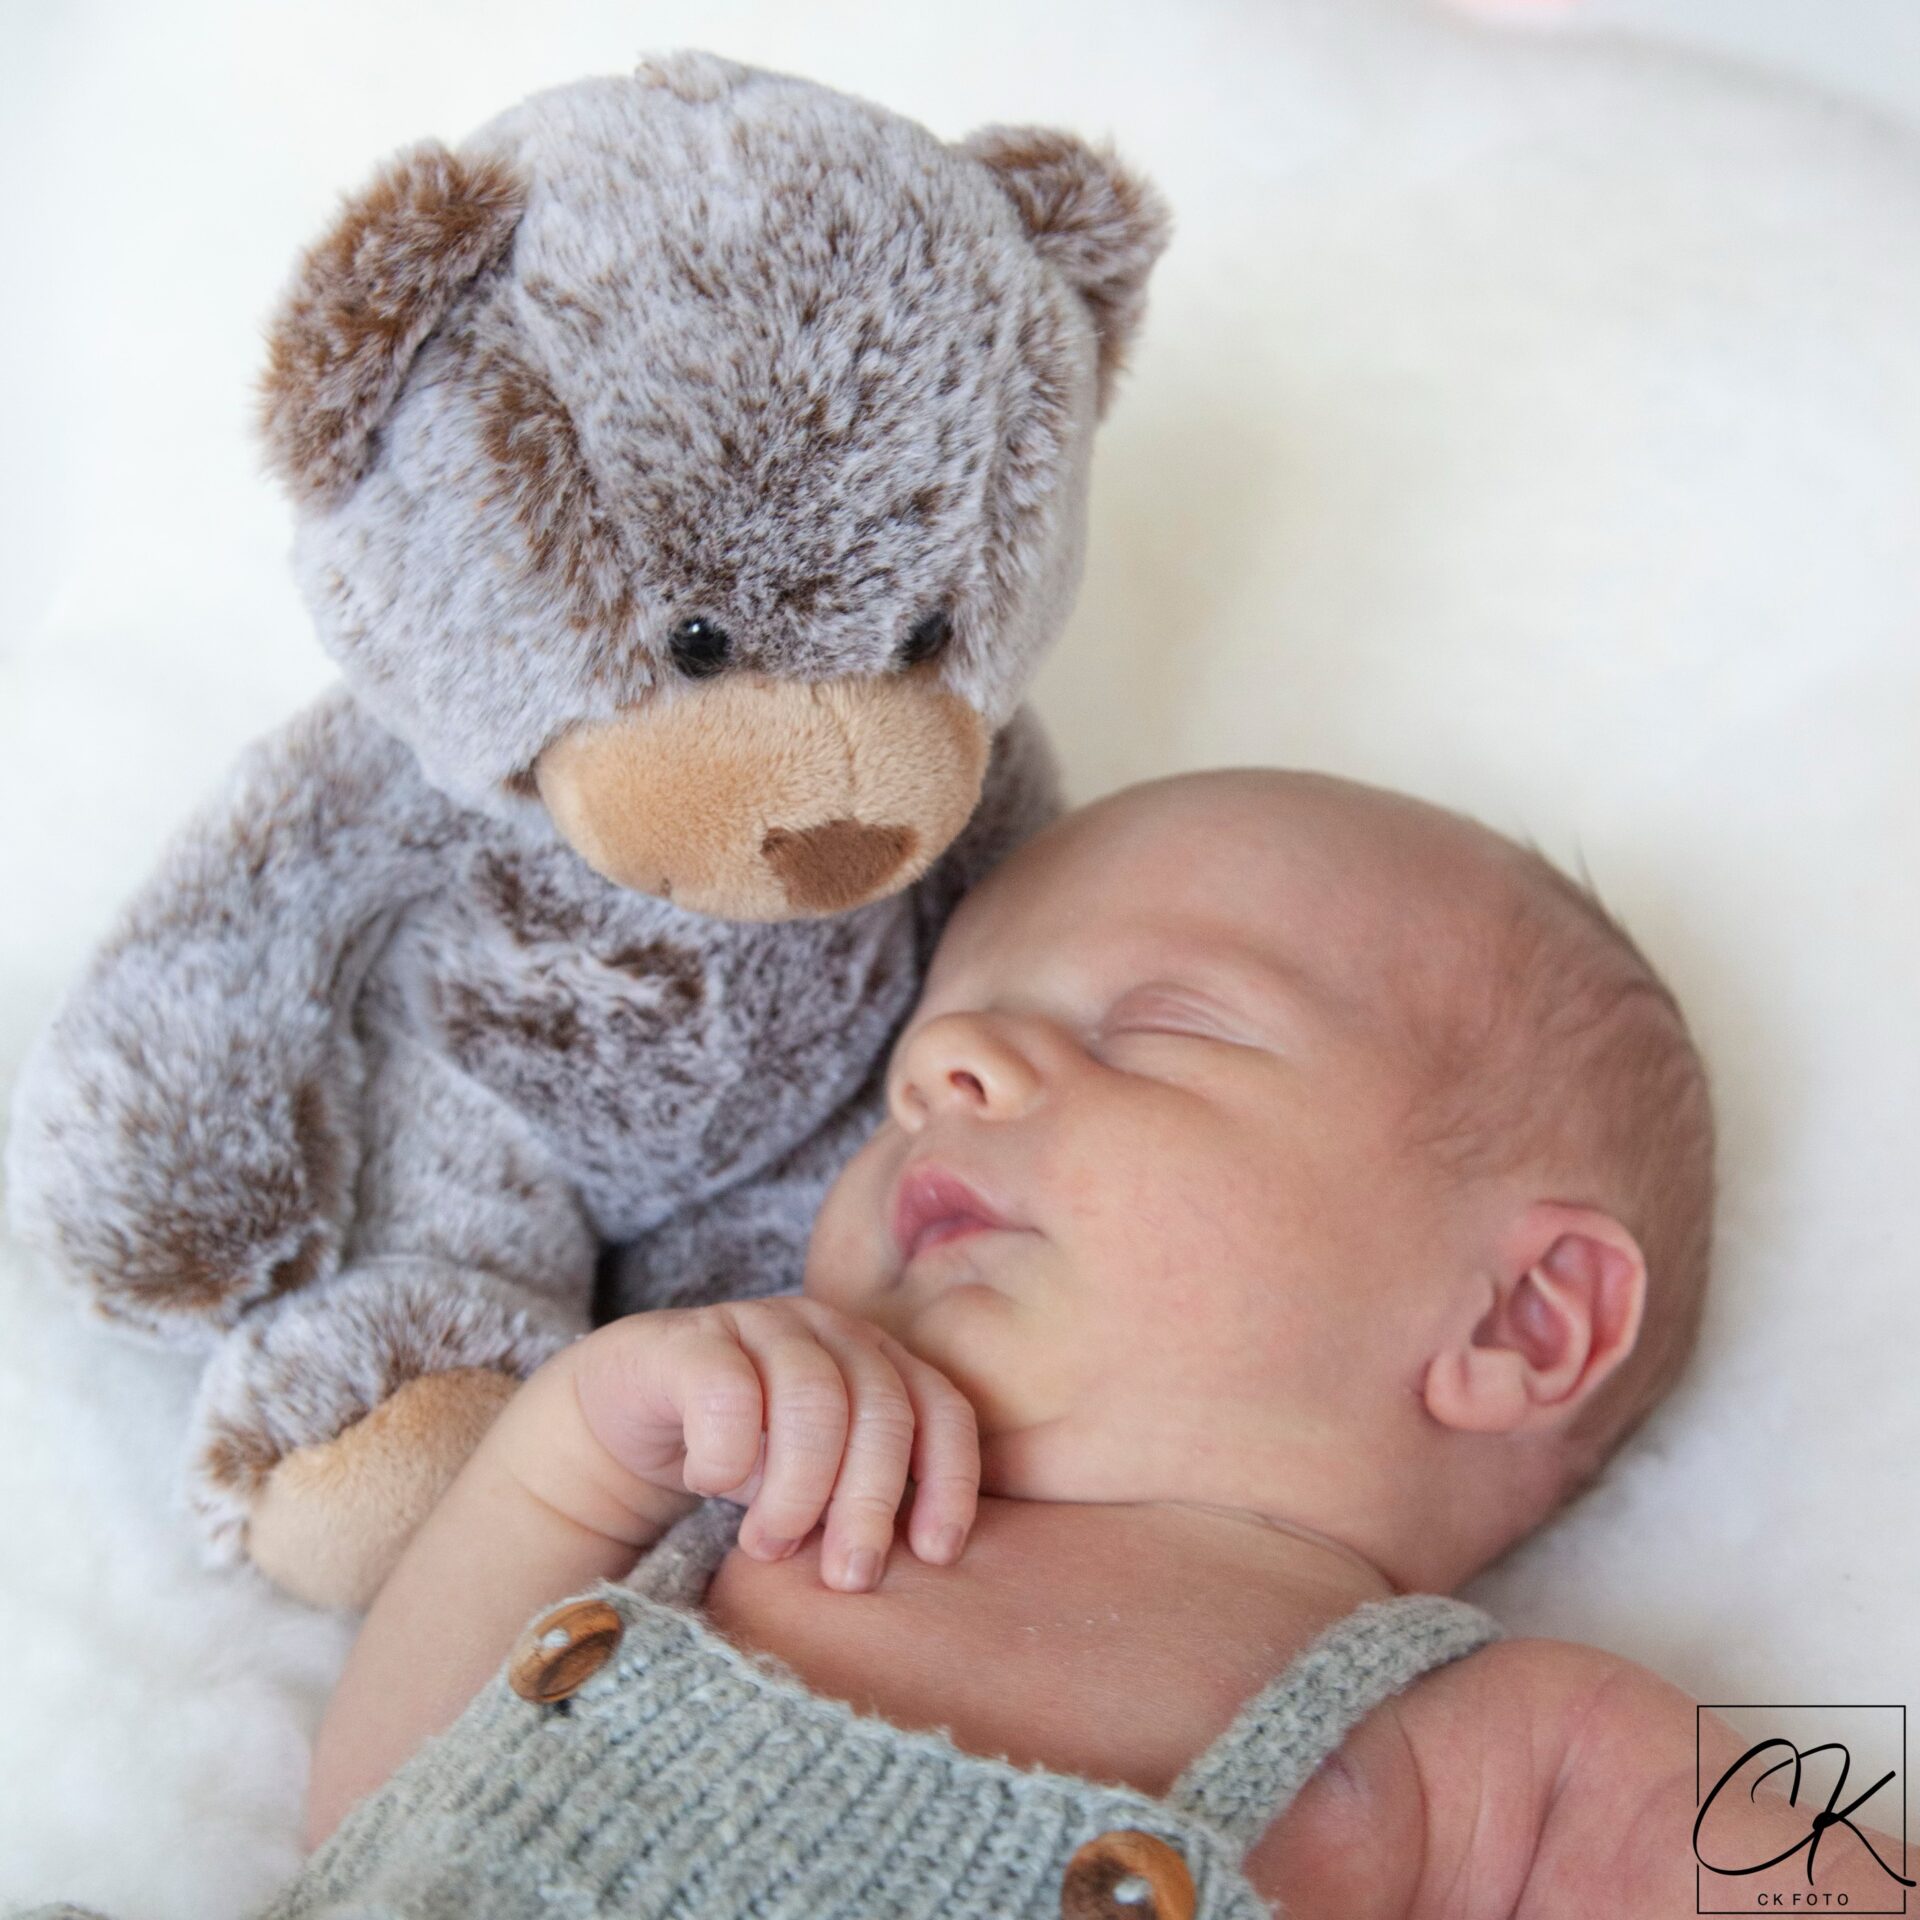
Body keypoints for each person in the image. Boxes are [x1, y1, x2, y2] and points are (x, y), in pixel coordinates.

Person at [41, 770, 1905, 1918]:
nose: (943, 1067)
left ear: (1518, 1319)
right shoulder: (737, 1514)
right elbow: (377, 1826)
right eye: (923, 1059)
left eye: (1161, 1026)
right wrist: (570, 1453)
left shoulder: (1517, 1745)